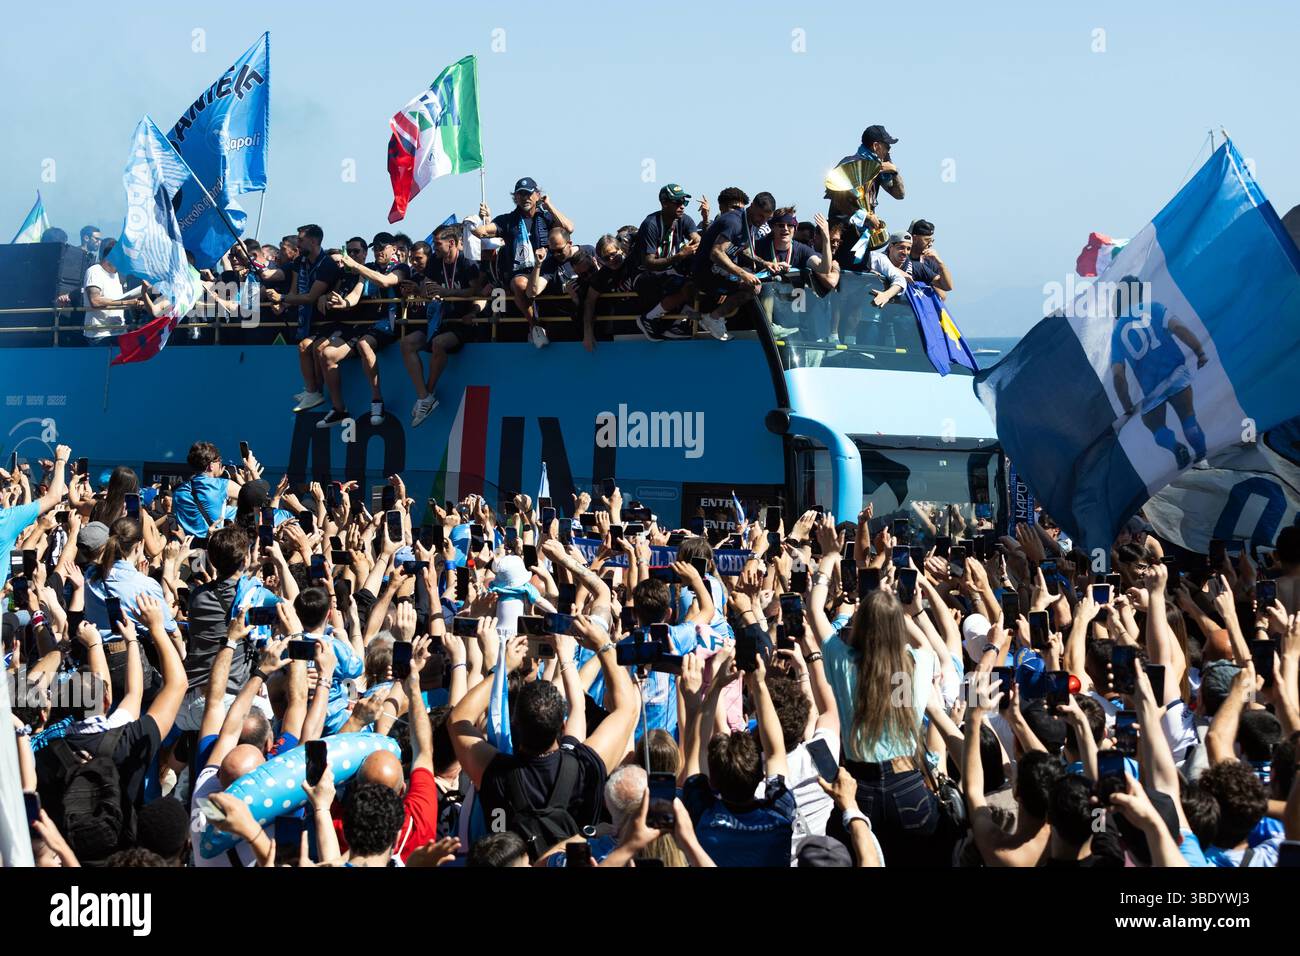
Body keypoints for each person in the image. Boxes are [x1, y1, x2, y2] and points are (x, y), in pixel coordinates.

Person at [1110, 275, 1212, 468]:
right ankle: (1203, 459)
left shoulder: (1117, 333)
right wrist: (1199, 351)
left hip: (1152, 389)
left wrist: (1127, 405)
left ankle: (1175, 447)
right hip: (1176, 374)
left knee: (1156, 427)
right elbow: (1179, 328)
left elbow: (1118, 375)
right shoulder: (1154, 308)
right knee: (1188, 418)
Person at [471, 177, 576, 348]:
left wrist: (548, 205)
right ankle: (535, 327)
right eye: (520, 194)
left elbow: (569, 228)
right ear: (515, 197)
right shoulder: (508, 220)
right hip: (522, 272)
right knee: (519, 284)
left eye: (528, 194)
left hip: (547, 269)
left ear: (537, 195)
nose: (524, 198)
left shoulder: (546, 216)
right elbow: (482, 231)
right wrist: (479, 222)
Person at [403, 225, 488, 427]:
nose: (434, 247)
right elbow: (428, 288)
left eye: (437, 244)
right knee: (407, 343)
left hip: (463, 322)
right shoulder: (435, 262)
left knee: (439, 343)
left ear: (451, 243)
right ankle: (424, 396)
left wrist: (447, 292)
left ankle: (429, 392)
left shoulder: (467, 263)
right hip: (440, 319)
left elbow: (475, 292)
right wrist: (419, 290)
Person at [262, 224, 343, 412]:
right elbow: (294, 293)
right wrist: (283, 304)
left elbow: (310, 297)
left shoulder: (327, 265)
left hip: (328, 321)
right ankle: (311, 391)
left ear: (313, 241)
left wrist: (282, 298)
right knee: (304, 347)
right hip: (308, 321)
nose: (297, 243)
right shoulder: (300, 262)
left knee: (310, 348)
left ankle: (318, 393)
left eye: (300, 240)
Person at [691, 190, 776, 341]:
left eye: (767, 219)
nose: (762, 221)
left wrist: (765, 263)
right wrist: (743, 274)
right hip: (705, 274)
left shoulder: (751, 222)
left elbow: (743, 249)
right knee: (753, 287)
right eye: (761, 216)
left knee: (758, 280)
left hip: (720, 271)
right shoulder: (734, 222)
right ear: (752, 206)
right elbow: (716, 253)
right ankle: (713, 318)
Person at [633, 183, 701, 342]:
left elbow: (697, 240)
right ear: (664, 203)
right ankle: (648, 318)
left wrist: (701, 232)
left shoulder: (684, 219)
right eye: (678, 202)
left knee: (699, 282)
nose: (682, 206)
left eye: (684, 202)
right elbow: (649, 263)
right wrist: (680, 256)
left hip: (668, 270)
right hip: (643, 275)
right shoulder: (651, 224)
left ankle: (676, 324)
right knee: (686, 285)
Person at [82, 238, 150, 343]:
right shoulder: (94, 271)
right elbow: (95, 301)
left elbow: (119, 299)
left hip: (120, 333)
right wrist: (128, 302)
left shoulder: (119, 276)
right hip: (100, 335)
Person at [905, 219, 954, 294]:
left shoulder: (930, 261)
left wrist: (940, 263)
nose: (930, 244)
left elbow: (943, 293)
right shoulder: (902, 257)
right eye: (927, 240)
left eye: (932, 240)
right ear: (914, 239)